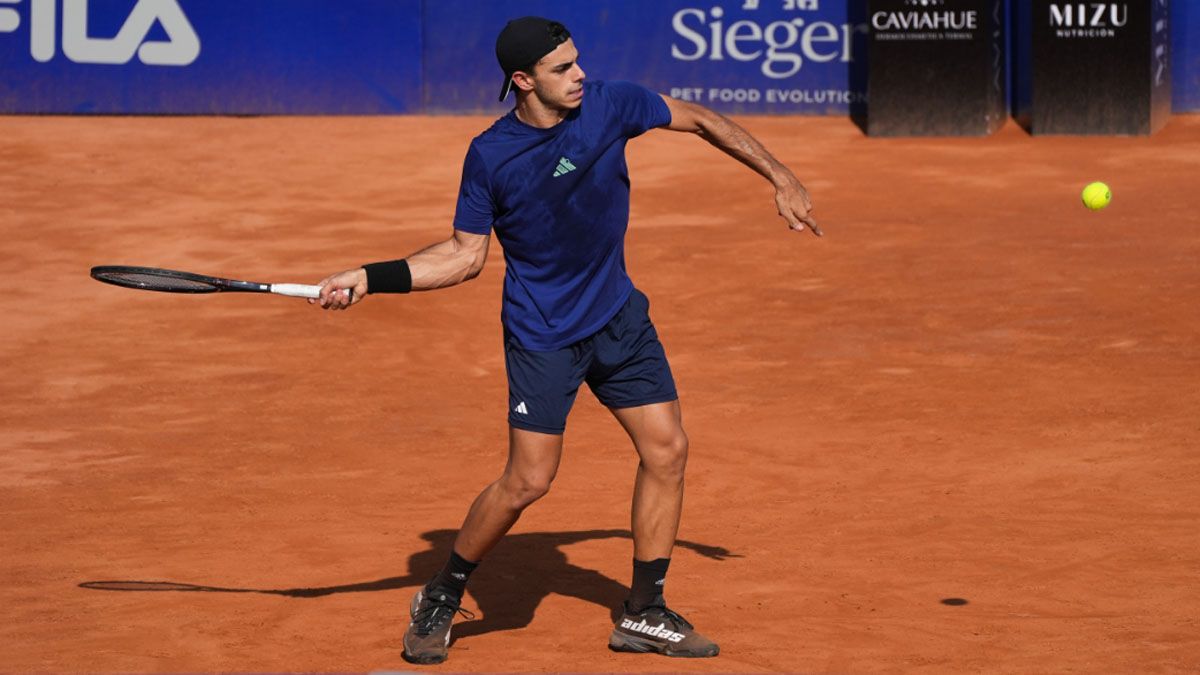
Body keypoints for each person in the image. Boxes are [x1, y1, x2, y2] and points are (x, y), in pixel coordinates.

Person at [312, 16, 820, 665]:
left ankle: (644, 611)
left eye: (578, 61)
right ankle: (443, 590)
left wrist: (779, 175)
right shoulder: (491, 155)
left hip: (617, 315)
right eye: (562, 68)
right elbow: (466, 257)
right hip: (544, 333)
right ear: (523, 81)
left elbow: (696, 117)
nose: (580, 74)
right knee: (528, 480)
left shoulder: (609, 105)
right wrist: (368, 278)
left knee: (667, 449)